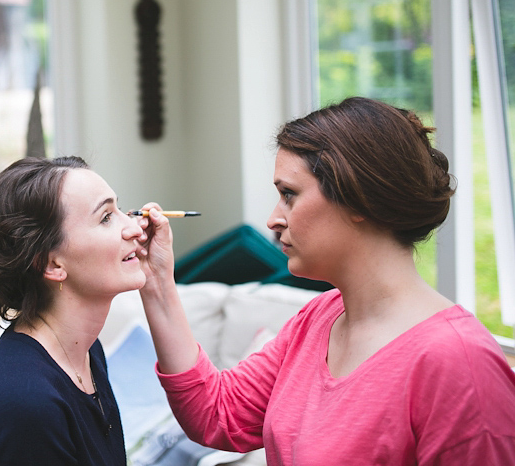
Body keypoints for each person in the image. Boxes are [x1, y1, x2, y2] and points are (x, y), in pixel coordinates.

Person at [137, 96, 515, 464]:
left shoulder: (458, 363)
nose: (273, 219)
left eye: (289, 195)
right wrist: (156, 282)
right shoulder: (319, 317)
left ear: (357, 199)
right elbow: (218, 415)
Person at [0, 156, 146, 466]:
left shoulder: (88, 355)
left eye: (120, 209)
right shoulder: (24, 404)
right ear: (51, 264)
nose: (134, 227)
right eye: (106, 217)